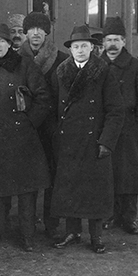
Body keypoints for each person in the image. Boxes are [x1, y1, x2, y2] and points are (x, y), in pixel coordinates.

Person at [0, 23, 52, 252]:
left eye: (1, 41)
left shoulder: (25, 65)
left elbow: (43, 98)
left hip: (22, 138)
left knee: (26, 190)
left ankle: (28, 234)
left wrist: (28, 123)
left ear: (10, 44)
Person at [49, 24, 125, 254]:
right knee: (70, 188)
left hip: (94, 142)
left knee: (94, 191)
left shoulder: (103, 72)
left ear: (92, 48)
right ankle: (72, 232)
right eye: (76, 46)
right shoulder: (60, 72)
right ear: (70, 49)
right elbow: (53, 107)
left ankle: (96, 236)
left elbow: (116, 111)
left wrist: (106, 141)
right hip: (68, 141)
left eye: (84, 46)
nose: (80, 50)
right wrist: (56, 136)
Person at [101, 16, 138, 235]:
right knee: (108, 174)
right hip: (105, 129)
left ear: (124, 42)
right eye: (108, 40)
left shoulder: (137, 67)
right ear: (103, 43)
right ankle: (110, 214)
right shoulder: (97, 66)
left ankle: (129, 217)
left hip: (129, 130)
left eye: (116, 40)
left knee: (130, 175)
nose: (112, 45)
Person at [17, 11, 68, 239]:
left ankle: (51, 224)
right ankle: (26, 225)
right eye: (31, 29)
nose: (36, 33)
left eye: (40, 29)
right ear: (25, 33)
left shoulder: (61, 59)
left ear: (47, 32)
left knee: (52, 177)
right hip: (25, 128)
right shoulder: (16, 59)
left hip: (52, 128)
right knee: (27, 178)